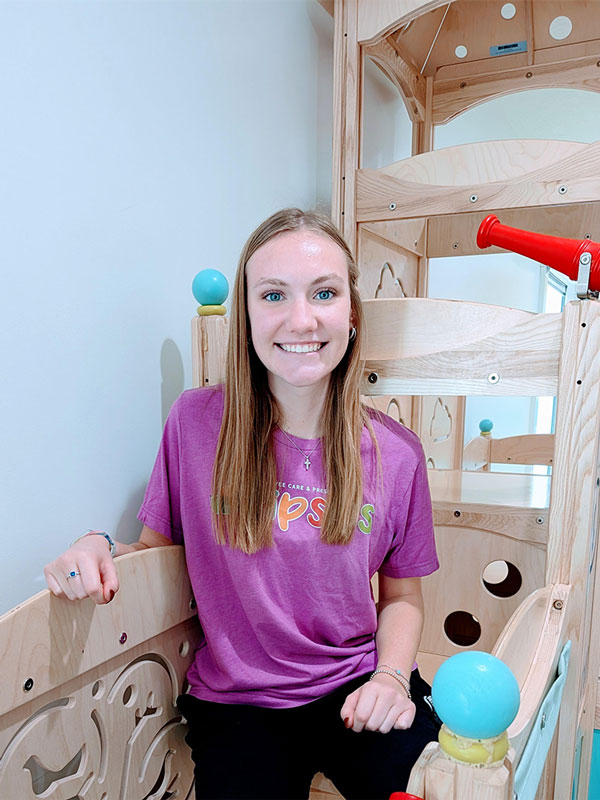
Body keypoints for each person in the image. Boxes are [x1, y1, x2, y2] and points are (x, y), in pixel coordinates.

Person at [44, 208, 440, 800]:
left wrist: (390, 677)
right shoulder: (194, 424)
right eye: (274, 294)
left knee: (448, 785)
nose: (301, 319)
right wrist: (95, 546)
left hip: (359, 683)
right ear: (248, 315)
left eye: (324, 293)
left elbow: (402, 595)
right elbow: (156, 554)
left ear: (350, 314)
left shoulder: (397, 454)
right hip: (239, 703)